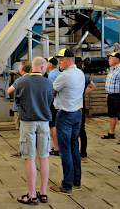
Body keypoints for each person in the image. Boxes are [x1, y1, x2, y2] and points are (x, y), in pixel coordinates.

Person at [14, 57, 53, 205]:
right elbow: (50, 101)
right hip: (44, 123)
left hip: (28, 122)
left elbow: (17, 102)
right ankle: (43, 193)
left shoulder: (22, 82)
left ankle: (32, 195)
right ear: (42, 67)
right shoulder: (49, 83)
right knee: (44, 157)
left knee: (29, 158)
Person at [50, 48, 85, 195]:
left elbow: (52, 90)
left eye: (61, 60)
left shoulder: (64, 76)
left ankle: (67, 185)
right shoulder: (80, 73)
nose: (59, 63)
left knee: (65, 151)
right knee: (74, 147)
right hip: (77, 114)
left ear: (68, 60)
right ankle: (76, 181)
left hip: (65, 115)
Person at [101, 51, 120, 140]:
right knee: (112, 115)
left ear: (117, 59)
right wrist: (108, 94)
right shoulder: (112, 69)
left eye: (111, 58)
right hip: (111, 95)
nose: (109, 60)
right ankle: (111, 133)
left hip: (118, 96)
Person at [47, 57, 61, 156]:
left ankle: (56, 148)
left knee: (53, 126)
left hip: (53, 103)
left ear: (50, 64)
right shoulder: (59, 73)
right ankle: (57, 146)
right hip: (60, 103)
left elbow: (51, 91)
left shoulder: (51, 75)